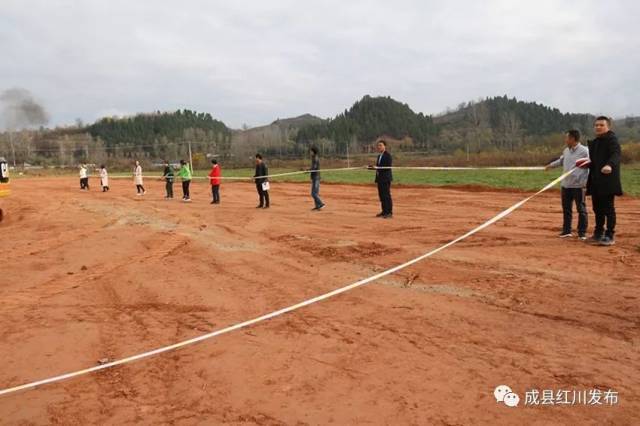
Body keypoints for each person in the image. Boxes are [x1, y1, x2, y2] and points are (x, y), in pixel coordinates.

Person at [545, 130, 589, 239]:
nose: (565, 140)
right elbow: (561, 161)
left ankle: (582, 233)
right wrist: (550, 166)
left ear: (573, 139)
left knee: (581, 210)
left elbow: (591, 164)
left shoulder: (585, 151)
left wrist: (586, 181)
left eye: (567, 138)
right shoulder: (566, 151)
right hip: (566, 185)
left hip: (579, 186)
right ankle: (566, 231)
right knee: (566, 209)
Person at [586, 116, 623, 246]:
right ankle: (598, 233)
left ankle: (609, 235)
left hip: (608, 181)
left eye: (601, 125)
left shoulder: (612, 140)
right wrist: (587, 164)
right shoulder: (595, 142)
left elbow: (616, 154)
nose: (598, 127)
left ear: (608, 126)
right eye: (596, 125)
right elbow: (594, 162)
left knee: (608, 209)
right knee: (597, 208)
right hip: (596, 180)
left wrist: (610, 165)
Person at [371, 140, 393, 218]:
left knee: (386, 195)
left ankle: (389, 212)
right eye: (378, 145)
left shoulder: (388, 156)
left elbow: (387, 167)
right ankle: (384, 211)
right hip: (379, 179)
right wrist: (372, 168)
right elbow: (379, 167)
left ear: (385, 146)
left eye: (381, 145)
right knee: (381, 195)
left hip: (385, 179)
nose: (379, 147)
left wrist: (377, 168)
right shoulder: (379, 156)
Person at [309, 146, 325, 211]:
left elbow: (314, 168)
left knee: (313, 193)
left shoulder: (315, 158)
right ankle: (317, 206)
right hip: (315, 177)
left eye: (311, 151)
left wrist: (307, 170)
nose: (310, 152)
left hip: (316, 177)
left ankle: (321, 203)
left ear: (313, 151)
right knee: (316, 193)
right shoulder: (314, 157)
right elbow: (313, 168)